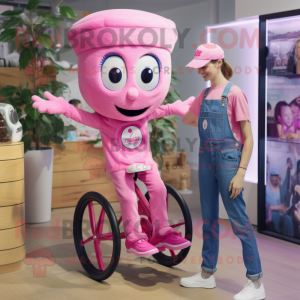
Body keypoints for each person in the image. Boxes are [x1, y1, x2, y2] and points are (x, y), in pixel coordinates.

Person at [31, 10, 193, 257]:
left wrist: (177, 107)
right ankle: (134, 237)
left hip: (145, 162)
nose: (132, 94)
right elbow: (82, 116)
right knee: (128, 198)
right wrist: (64, 107)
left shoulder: (143, 115)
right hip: (119, 166)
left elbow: (163, 109)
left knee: (159, 189)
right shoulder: (106, 120)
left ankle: (162, 230)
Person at [181, 43, 266, 300]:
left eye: (203, 66)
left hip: (230, 162)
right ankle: (207, 274)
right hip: (206, 159)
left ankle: (256, 282)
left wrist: (241, 172)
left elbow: (249, 139)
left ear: (218, 63)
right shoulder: (205, 95)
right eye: (197, 68)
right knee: (208, 220)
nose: (200, 72)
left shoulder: (235, 93)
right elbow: (188, 118)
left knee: (239, 222)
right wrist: (196, 113)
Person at [266, 167, 294, 237]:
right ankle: (276, 238)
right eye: (274, 176)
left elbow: (283, 204)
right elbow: (263, 206)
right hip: (270, 213)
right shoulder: (266, 189)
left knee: (288, 219)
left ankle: (288, 240)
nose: (277, 178)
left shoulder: (281, 188)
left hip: (280, 213)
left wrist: (283, 208)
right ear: (270, 177)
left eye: (277, 176)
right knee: (275, 215)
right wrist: (277, 208)